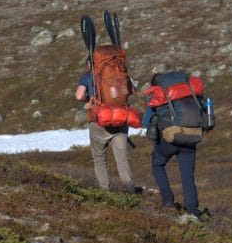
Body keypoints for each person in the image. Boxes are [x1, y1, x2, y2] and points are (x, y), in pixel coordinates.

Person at [142, 72, 207, 218]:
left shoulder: (159, 95)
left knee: (158, 164)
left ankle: (168, 202)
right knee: (187, 174)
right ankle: (192, 209)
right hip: (190, 137)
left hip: (170, 138)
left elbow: (146, 122)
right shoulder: (189, 93)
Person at [75, 56, 136, 193]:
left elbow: (79, 96)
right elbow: (131, 90)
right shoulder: (119, 73)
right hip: (120, 119)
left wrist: (88, 99)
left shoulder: (88, 76)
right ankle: (130, 190)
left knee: (99, 158)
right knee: (121, 157)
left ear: (89, 64)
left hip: (99, 120)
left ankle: (105, 191)